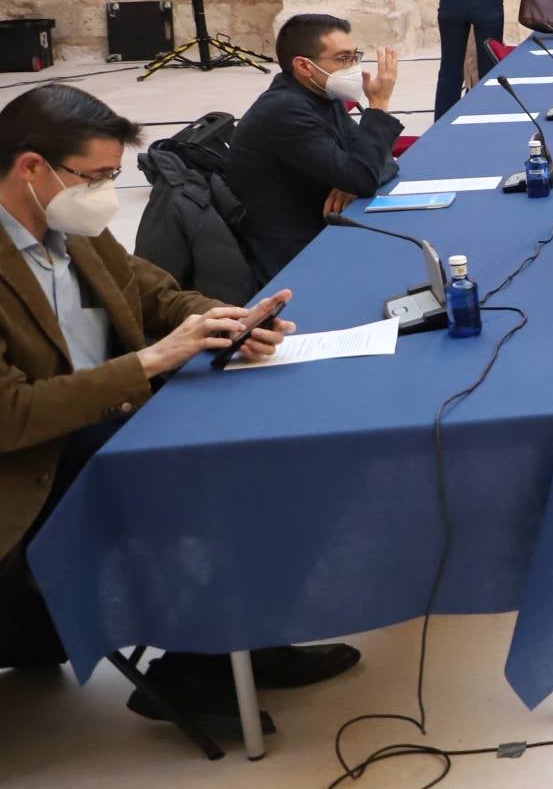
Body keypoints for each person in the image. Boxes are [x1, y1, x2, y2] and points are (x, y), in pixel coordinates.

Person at [0, 85, 363, 720]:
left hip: (107, 423)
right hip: (32, 463)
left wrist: (226, 320)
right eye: (93, 177)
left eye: (113, 176)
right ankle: (200, 665)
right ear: (31, 167)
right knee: (232, 483)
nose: (104, 194)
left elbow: (158, 296)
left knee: (296, 443)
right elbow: (13, 416)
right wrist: (151, 360)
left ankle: (252, 636)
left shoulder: (70, 229)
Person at [226, 14, 403, 286]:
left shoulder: (321, 94)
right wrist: (378, 104)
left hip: (329, 227)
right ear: (304, 66)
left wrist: (351, 181)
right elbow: (364, 172)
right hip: (297, 256)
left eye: (355, 56)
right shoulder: (284, 111)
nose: (354, 67)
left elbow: (379, 161)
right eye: (343, 59)